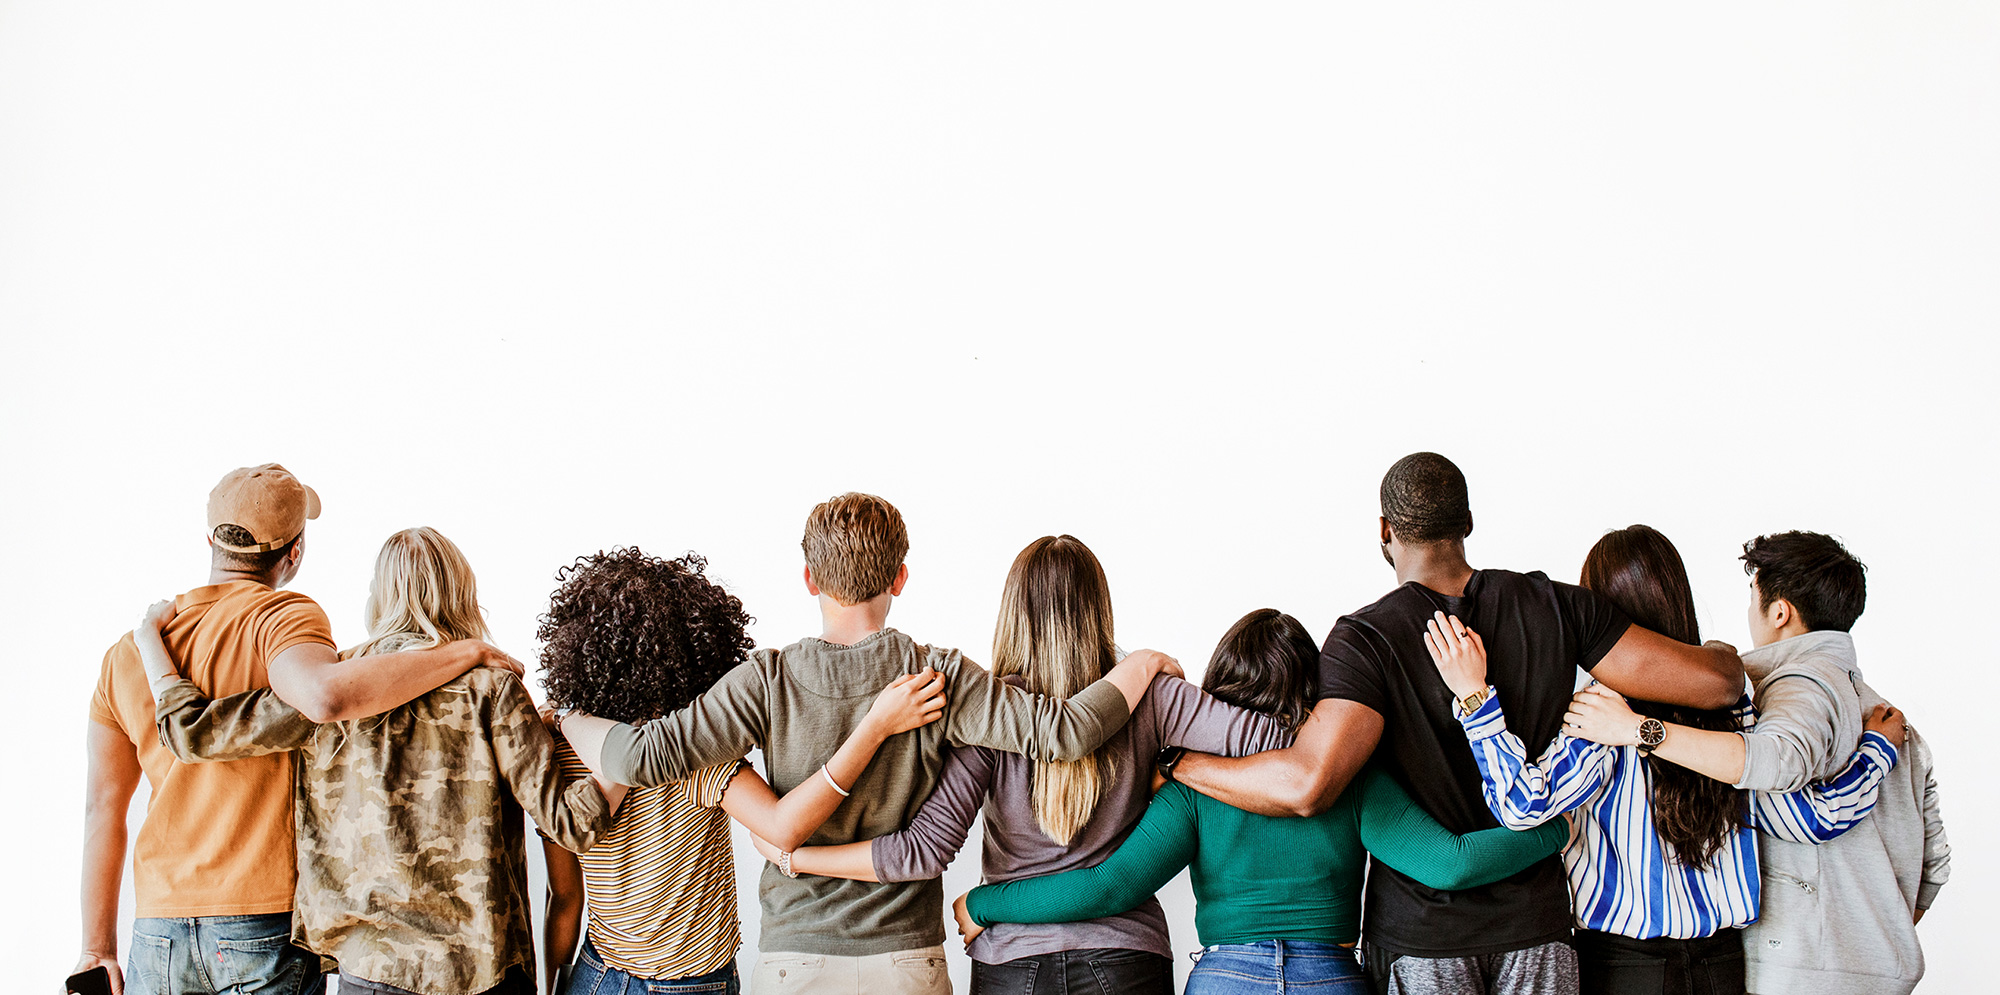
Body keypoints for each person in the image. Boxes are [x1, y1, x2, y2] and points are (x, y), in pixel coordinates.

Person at [556, 494, 1184, 995]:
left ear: (808, 578)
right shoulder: (938, 674)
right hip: (905, 957)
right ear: (900, 576)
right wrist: (1142, 663)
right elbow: (1065, 733)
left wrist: (567, 719)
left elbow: (635, 757)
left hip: (793, 959)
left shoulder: (764, 681)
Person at [1167, 453, 1746, 995]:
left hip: (1424, 938)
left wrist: (1179, 762)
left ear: (1385, 531)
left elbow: (1306, 785)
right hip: (1538, 931)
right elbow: (1718, 683)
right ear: (1468, 521)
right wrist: (1721, 649)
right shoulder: (1559, 607)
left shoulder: (1365, 640)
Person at [747, 536, 1293, 994]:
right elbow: (1275, 738)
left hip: (1011, 961)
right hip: (1127, 957)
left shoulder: (991, 715)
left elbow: (923, 851)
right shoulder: (1156, 697)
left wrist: (801, 857)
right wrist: (1175, 761)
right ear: (1100, 608)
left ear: (1012, 611)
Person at [952, 608, 1571, 994]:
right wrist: (1551, 830)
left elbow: (1107, 887)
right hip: (1331, 976)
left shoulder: (1193, 786)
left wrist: (985, 901)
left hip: (1225, 978)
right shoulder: (1345, 780)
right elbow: (1449, 862)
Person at [77, 466, 520, 995]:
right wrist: (464, 651)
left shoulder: (125, 655)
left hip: (158, 928)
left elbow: (104, 806)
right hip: (262, 921)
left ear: (212, 539)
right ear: (294, 552)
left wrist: (95, 948)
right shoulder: (286, 619)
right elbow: (327, 696)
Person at [1422, 525, 1905, 994]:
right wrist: (1878, 751)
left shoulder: (1601, 711)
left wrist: (1474, 698)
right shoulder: (1732, 703)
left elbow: (1521, 804)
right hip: (1723, 966)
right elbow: (1810, 818)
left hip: (1624, 965)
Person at [140, 527, 617, 995]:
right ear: (463, 593)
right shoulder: (492, 690)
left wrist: (150, 642)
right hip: (479, 969)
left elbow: (193, 734)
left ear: (379, 597)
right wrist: (627, 749)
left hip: (370, 969)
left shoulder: (331, 686)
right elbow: (570, 825)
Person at [536, 548, 948, 995]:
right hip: (689, 983)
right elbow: (782, 825)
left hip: (594, 973)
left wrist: (553, 983)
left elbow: (564, 899)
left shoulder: (560, 751)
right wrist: (875, 727)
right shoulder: (701, 758)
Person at [1565, 532, 1951, 995]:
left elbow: (1785, 786)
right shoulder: (1878, 714)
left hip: (1793, 968)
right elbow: (1934, 868)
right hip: (1835, 966)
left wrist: (1641, 731)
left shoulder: (1785, 690)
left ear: (1780, 611)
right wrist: (1874, 946)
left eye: (1753, 596)